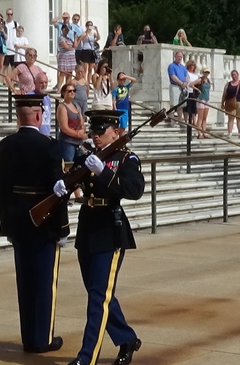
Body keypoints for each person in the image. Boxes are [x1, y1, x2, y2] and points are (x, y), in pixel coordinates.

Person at [66, 109, 144, 365]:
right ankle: (127, 338)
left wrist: (104, 172)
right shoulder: (88, 156)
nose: (96, 136)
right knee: (98, 293)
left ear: (116, 131)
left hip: (110, 230)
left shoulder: (126, 159)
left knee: (98, 296)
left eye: (102, 131)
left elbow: (134, 189)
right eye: (94, 131)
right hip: (88, 226)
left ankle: (86, 357)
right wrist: (64, 185)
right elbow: (71, 179)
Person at [0, 94, 68, 355]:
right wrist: (62, 228)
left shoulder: (6, 145)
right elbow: (57, 192)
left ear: (19, 116)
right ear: (38, 115)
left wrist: (7, 223)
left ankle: (28, 338)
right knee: (44, 282)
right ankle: (42, 339)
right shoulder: (50, 145)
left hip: (18, 223)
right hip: (44, 224)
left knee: (25, 282)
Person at [57, 84, 87, 168]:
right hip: (67, 142)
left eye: (74, 91)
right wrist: (78, 134)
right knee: (68, 166)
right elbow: (64, 128)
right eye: (69, 91)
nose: (72, 92)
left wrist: (82, 130)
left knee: (79, 166)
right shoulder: (62, 107)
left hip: (78, 143)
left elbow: (82, 123)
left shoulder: (76, 106)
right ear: (63, 93)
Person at [221, 70, 240, 137]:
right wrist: (222, 102)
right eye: (233, 75)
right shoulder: (228, 84)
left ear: (238, 75)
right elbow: (224, 94)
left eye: (235, 74)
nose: (234, 76)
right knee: (231, 118)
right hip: (230, 102)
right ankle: (230, 133)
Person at [189, 67, 212, 138]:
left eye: (208, 72)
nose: (206, 73)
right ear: (203, 72)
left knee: (205, 117)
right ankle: (199, 133)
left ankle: (204, 132)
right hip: (201, 99)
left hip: (207, 99)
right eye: (205, 72)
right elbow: (191, 84)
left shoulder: (208, 80)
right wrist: (197, 89)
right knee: (200, 117)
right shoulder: (200, 79)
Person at [28, 73, 52, 137]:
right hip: (34, 136)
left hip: (46, 135)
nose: (44, 85)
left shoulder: (47, 98)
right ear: (35, 82)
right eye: (41, 82)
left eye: (45, 82)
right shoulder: (29, 97)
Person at [57, 24, 78, 92]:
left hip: (71, 57)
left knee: (69, 73)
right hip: (64, 56)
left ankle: (67, 87)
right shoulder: (61, 38)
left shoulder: (69, 38)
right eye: (66, 29)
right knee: (63, 73)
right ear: (63, 29)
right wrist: (73, 48)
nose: (68, 31)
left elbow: (75, 45)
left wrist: (75, 37)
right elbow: (66, 47)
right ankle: (59, 87)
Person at [168, 51, 187, 122]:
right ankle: (172, 120)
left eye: (181, 57)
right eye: (178, 56)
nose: (180, 58)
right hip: (175, 86)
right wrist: (181, 83)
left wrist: (185, 83)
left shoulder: (183, 67)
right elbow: (173, 76)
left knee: (181, 105)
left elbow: (186, 76)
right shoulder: (171, 66)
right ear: (175, 57)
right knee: (173, 104)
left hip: (182, 87)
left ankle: (180, 120)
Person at [2, 9, 19, 75]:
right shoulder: (3, 23)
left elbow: (18, 34)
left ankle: (14, 81)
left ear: (13, 15)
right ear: (6, 14)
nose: (9, 16)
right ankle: (5, 81)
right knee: (5, 66)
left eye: (11, 14)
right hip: (6, 48)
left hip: (14, 49)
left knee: (14, 67)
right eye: (8, 14)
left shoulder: (16, 24)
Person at [184, 60, 199, 125]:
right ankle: (185, 120)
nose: (191, 67)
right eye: (190, 66)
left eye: (193, 66)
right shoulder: (186, 73)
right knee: (187, 107)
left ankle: (194, 121)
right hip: (187, 91)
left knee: (194, 107)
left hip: (194, 92)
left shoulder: (196, 75)